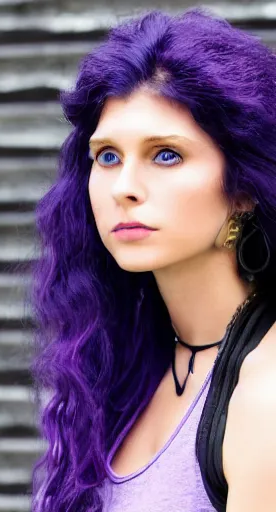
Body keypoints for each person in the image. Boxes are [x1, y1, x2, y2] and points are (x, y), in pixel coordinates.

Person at [28, 7, 276, 512]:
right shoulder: (126, 357)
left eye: (166, 155)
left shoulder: (264, 395)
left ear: (244, 188)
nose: (125, 188)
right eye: (107, 156)